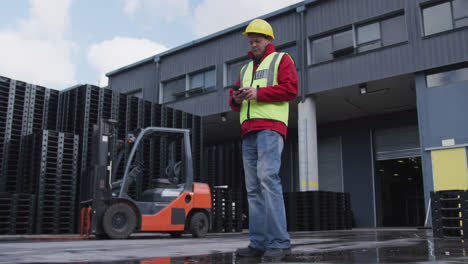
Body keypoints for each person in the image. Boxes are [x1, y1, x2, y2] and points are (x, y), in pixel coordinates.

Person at [229, 18, 298, 259]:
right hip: (248, 131)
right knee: (253, 189)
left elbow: (291, 89)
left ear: (268, 40)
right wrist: (236, 98)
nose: (254, 44)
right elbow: (235, 98)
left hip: (270, 128)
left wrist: (258, 93)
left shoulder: (282, 59)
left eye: (257, 40)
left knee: (268, 180)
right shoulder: (245, 69)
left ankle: (280, 242)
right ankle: (258, 243)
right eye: (251, 41)